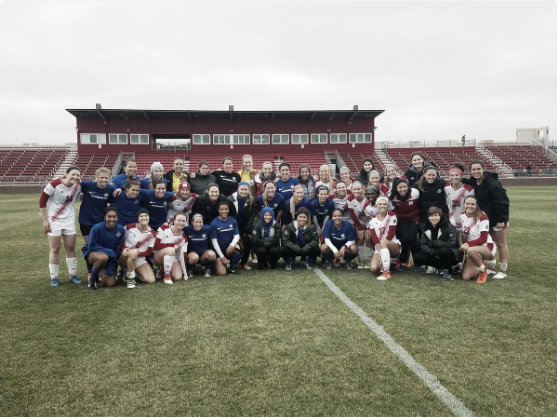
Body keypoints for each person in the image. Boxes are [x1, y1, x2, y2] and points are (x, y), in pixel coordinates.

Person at [39, 166, 82, 287]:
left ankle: (72, 275)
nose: (75, 177)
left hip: (69, 220)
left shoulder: (78, 185)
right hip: (54, 221)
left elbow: (77, 198)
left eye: (78, 175)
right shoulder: (54, 184)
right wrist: (45, 220)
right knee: (55, 248)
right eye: (73, 174)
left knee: (70, 247)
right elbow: (42, 201)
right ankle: (54, 277)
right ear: (66, 174)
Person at [468, 160, 510, 279]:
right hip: (486, 219)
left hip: (498, 218)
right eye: (473, 169)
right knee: (490, 243)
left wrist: (501, 219)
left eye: (478, 169)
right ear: (470, 172)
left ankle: (503, 270)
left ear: (483, 169)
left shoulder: (492, 183)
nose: (476, 171)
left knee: (501, 243)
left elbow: (502, 202)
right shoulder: (473, 182)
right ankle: (491, 268)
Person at [83, 206, 127, 289]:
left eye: (114, 217)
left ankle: (98, 270)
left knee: (110, 283)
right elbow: (91, 245)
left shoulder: (121, 230)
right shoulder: (97, 228)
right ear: (105, 217)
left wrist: (111, 265)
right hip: (92, 251)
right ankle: (92, 279)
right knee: (103, 257)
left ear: (117, 217)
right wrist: (108, 251)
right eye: (109, 216)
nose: (112, 219)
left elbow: (117, 249)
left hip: (109, 257)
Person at [413, 207, 461, 281]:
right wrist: (432, 251)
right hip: (435, 252)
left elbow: (452, 243)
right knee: (418, 257)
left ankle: (447, 270)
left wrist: (436, 243)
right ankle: (440, 268)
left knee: (443, 250)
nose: (433, 218)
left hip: (451, 253)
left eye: (436, 215)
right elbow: (423, 244)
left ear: (440, 216)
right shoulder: (426, 226)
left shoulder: (449, 226)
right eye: (431, 216)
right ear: (428, 217)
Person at [459, 196, 497, 284]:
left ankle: (482, 272)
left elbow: (483, 238)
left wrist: (468, 244)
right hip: (471, 248)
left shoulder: (482, 216)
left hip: (486, 246)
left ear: (476, 206)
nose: (470, 206)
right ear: (464, 205)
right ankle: (481, 262)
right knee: (466, 277)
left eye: (472, 204)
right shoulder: (462, 216)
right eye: (467, 204)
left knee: (471, 250)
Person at [118, 208, 156, 288]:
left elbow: (149, 251)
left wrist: (139, 253)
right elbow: (120, 240)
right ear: (138, 219)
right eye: (141, 216)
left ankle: (132, 272)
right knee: (133, 253)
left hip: (140, 259)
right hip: (125, 256)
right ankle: (130, 278)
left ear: (149, 217)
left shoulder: (152, 233)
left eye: (146, 215)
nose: (144, 218)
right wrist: (124, 249)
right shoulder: (129, 227)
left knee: (151, 280)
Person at [390, 178, 420, 272]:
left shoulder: (415, 193)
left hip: (414, 219)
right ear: (396, 188)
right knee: (404, 240)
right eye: (400, 187)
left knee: (412, 239)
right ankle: (403, 262)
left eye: (404, 187)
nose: (403, 189)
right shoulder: (392, 196)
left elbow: (420, 205)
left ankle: (418, 263)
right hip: (401, 220)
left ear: (408, 187)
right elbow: (392, 210)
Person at [79, 167, 116, 243]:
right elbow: (73, 184)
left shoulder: (111, 189)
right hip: (85, 220)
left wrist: (121, 189)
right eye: (101, 177)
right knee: (89, 244)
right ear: (96, 177)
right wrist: (61, 178)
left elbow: (114, 202)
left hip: (100, 220)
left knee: (100, 242)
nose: (104, 180)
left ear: (109, 178)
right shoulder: (87, 185)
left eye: (106, 178)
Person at [368, 196, 401, 281]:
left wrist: (381, 250)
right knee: (374, 268)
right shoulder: (372, 219)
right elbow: (374, 238)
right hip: (380, 247)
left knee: (384, 242)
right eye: (380, 204)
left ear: (387, 206)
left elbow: (390, 234)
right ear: (376, 206)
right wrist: (379, 252)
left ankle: (386, 273)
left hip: (392, 245)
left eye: (384, 204)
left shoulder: (392, 216)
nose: (382, 206)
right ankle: (385, 263)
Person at [227, 182, 258, 270]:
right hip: (232, 224)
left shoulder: (252, 200)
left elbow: (253, 215)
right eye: (242, 189)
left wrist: (247, 229)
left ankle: (244, 262)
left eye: (245, 189)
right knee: (230, 242)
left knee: (248, 240)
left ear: (248, 190)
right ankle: (230, 260)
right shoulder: (230, 199)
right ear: (238, 189)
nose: (243, 191)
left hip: (244, 225)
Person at [152, 212, 188, 284]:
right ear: (174, 221)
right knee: (171, 250)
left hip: (171, 256)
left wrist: (185, 273)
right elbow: (155, 245)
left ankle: (162, 270)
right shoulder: (164, 228)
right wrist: (172, 245)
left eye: (183, 221)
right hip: (157, 255)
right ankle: (167, 276)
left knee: (177, 277)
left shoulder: (184, 238)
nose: (181, 223)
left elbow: (183, 256)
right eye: (179, 220)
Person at [210, 201, 243, 275]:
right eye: (221, 209)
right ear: (218, 210)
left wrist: (232, 244)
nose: (224, 211)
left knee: (238, 248)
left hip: (228, 248)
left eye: (226, 209)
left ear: (228, 210)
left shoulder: (232, 220)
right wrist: (221, 256)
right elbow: (214, 241)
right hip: (219, 249)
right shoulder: (214, 223)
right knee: (222, 273)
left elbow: (237, 235)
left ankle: (232, 266)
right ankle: (214, 266)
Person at [444, 163, 474, 239]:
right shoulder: (446, 187)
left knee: (466, 241)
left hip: (466, 218)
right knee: (454, 241)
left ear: (461, 176)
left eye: (457, 175)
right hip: (452, 218)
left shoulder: (469, 189)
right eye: (452, 175)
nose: (454, 177)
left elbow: (472, 205)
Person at [347, 182, 373, 269]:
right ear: (351, 190)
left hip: (370, 221)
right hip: (359, 221)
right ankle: (361, 260)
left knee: (368, 237)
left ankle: (369, 260)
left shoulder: (368, 198)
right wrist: (360, 228)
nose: (357, 191)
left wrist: (369, 228)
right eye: (354, 189)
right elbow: (353, 215)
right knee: (361, 237)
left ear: (363, 189)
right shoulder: (350, 199)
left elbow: (372, 215)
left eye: (359, 189)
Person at [183, 213, 217, 278]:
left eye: (200, 222)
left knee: (212, 254)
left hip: (203, 255)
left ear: (203, 222)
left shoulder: (208, 228)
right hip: (192, 254)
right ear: (192, 222)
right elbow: (177, 229)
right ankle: (190, 269)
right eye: (196, 222)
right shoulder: (187, 229)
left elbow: (215, 233)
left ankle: (208, 269)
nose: (198, 224)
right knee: (194, 258)